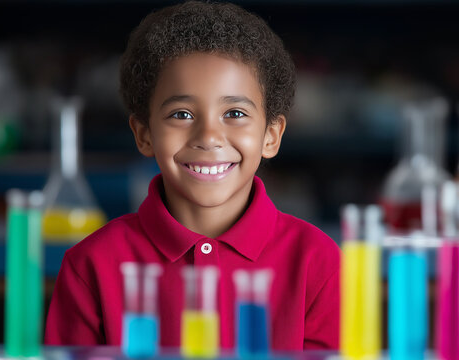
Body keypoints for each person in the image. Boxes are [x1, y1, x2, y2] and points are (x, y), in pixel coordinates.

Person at [45, 1, 340, 350]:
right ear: (144, 134)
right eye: (182, 114)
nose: (208, 137)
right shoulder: (90, 265)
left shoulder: (317, 261)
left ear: (271, 135)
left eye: (234, 112)